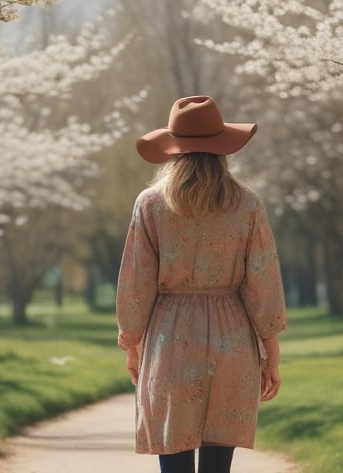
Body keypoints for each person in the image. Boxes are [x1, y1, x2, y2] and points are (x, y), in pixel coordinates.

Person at [116, 96, 288, 473]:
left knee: (173, 459)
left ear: (173, 150)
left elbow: (136, 282)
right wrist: (270, 352)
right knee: (217, 467)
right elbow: (263, 281)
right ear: (223, 149)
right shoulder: (247, 205)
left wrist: (132, 342)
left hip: (170, 338)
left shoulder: (150, 205)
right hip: (232, 340)